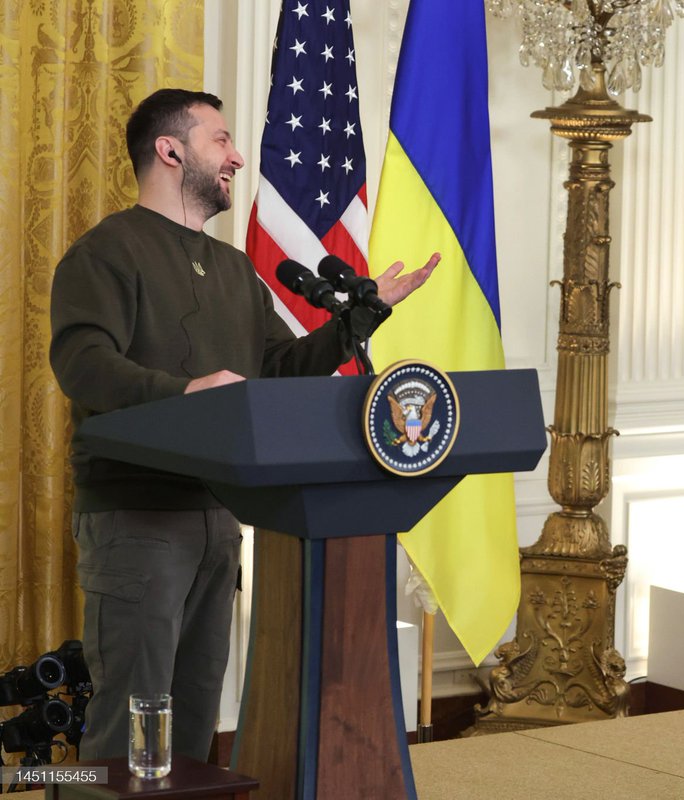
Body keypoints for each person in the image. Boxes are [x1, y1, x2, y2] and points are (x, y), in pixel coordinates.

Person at [48, 89, 439, 762]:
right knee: (131, 720)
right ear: (170, 151)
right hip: (137, 520)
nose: (235, 157)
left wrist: (359, 320)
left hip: (221, 515)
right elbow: (83, 366)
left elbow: (277, 371)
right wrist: (188, 392)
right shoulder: (105, 252)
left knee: (197, 713)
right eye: (220, 140)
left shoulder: (232, 268)